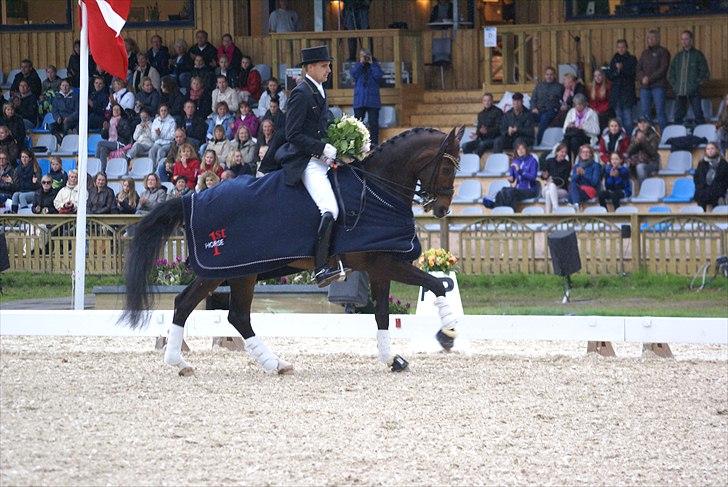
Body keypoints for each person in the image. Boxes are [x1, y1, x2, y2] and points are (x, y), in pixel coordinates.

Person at [276, 45, 349, 286]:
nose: (329, 70)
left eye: (329, 65)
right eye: (324, 66)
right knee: (331, 209)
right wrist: (322, 148)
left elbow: (322, 127)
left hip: (322, 159)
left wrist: (344, 145)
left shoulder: (319, 90)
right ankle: (320, 268)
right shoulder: (301, 93)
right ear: (309, 68)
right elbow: (293, 134)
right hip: (306, 162)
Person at [668, 30, 710, 125]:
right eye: (682, 39)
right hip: (680, 92)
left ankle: (702, 136)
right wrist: (675, 86)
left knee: (698, 114)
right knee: (678, 116)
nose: (684, 41)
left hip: (694, 91)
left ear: (691, 40)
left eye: (686, 39)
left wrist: (696, 83)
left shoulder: (698, 55)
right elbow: (671, 74)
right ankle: (678, 137)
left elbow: (705, 72)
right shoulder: (678, 57)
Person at [482, 141, 538, 210]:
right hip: (518, 190)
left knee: (510, 192)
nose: (520, 150)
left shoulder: (532, 161)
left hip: (530, 190)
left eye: (522, 148)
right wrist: (511, 179)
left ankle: (504, 212)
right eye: (518, 149)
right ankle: (502, 213)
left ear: (526, 149)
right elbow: (513, 179)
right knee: (503, 191)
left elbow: (533, 177)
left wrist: (520, 171)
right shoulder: (515, 161)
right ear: (516, 151)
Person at [637, 29, 671, 129]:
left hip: (658, 86)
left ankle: (664, 137)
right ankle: (649, 136)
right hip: (645, 87)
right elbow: (638, 68)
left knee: (660, 112)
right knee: (645, 113)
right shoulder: (645, 53)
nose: (650, 40)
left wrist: (649, 79)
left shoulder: (663, 52)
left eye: (652, 38)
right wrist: (642, 78)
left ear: (658, 39)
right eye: (648, 38)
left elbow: (663, 68)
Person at [350, 49, 383, 145]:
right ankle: (357, 144)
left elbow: (378, 76)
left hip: (372, 100)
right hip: (359, 100)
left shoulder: (375, 66)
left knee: (373, 124)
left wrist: (371, 63)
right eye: (363, 56)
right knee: (357, 124)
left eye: (366, 56)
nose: (365, 58)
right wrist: (361, 63)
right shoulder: (357, 66)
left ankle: (374, 144)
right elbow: (353, 74)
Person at [606, 39, 638, 134]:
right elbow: (610, 75)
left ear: (626, 47)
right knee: (618, 120)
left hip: (627, 93)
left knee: (628, 119)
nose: (621, 49)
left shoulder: (632, 59)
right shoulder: (614, 59)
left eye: (623, 47)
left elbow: (633, 74)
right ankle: (620, 140)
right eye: (619, 47)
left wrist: (622, 69)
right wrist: (617, 71)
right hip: (616, 94)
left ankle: (629, 140)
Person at [562, 93, 600, 161]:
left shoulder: (592, 113)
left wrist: (584, 127)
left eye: (580, 104)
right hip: (573, 137)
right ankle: (568, 162)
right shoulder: (571, 112)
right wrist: (569, 125)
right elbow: (564, 129)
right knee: (568, 141)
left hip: (587, 137)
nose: (577, 106)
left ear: (585, 104)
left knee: (573, 139)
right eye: (576, 104)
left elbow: (597, 131)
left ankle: (575, 161)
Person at [530, 67, 563, 145]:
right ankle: (528, 141)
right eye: (547, 74)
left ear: (554, 75)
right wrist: (533, 107)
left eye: (551, 74)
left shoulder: (559, 87)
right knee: (527, 116)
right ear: (544, 75)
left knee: (544, 118)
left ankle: (538, 142)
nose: (549, 76)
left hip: (552, 111)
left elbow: (563, 100)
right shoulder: (539, 86)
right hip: (538, 110)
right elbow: (533, 98)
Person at [96, 104, 134, 170]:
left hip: (120, 143)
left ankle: (96, 162)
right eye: (114, 109)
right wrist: (104, 129)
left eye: (118, 109)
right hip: (111, 142)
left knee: (100, 143)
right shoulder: (110, 121)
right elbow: (104, 136)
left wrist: (117, 127)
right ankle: (103, 170)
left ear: (120, 111)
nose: (116, 111)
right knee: (103, 149)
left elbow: (126, 134)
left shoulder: (124, 121)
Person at [693, 142, 728, 210]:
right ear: (705, 151)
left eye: (712, 148)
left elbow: (726, 179)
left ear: (716, 150)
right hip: (703, 190)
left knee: (718, 198)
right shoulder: (702, 163)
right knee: (700, 196)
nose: (710, 151)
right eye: (708, 149)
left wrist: (720, 189)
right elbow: (696, 177)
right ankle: (702, 219)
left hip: (718, 190)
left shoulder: (723, 163)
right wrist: (700, 187)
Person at [626, 117, 660, 184]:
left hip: (652, 162)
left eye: (644, 122)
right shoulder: (635, 134)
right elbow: (629, 152)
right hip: (637, 160)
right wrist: (636, 142)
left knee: (640, 167)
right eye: (640, 123)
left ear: (648, 124)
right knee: (625, 166)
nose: (642, 124)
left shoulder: (654, 135)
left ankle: (643, 189)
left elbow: (653, 153)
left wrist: (643, 141)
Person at [540, 143, 571, 213]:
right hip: (547, 187)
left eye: (565, 152)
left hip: (561, 189)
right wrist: (544, 176)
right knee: (550, 187)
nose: (564, 154)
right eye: (562, 152)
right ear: (557, 152)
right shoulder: (549, 161)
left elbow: (564, 180)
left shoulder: (567, 164)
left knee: (549, 192)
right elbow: (543, 177)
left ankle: (549, 216)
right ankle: (556, 210)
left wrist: (552, 179)